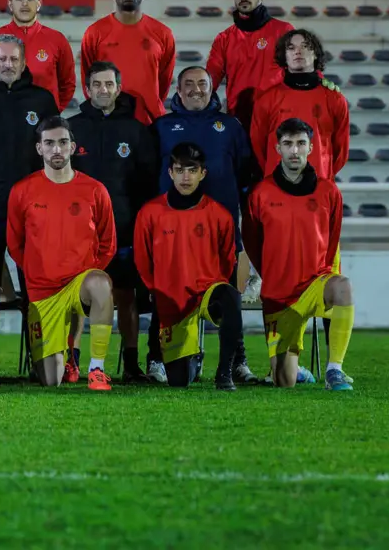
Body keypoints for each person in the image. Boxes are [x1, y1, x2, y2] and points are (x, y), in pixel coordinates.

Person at [154, 66, 258, 384]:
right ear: (178, 90)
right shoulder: (161, 127)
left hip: (220, 232)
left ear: (212, 89)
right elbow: (147, 176)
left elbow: (245, 175)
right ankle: (157, 358)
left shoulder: (229, 127)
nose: (196, 89)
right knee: (165, 293)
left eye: (203, 83)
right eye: (189, 84)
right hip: (173, 232)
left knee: (228, 297)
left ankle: (237, 362)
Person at [7, 116, 116, 391]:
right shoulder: (22, 191)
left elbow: (108, 243)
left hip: (78, 285)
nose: (57, 149)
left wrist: (86, 269)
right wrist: (38, 271)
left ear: (73, 147)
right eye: (50, 143)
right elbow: (15, 244)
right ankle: (64, 356)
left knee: (100, 284)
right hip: (43, 291)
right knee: (50, 380)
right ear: (39, 149)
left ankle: (97, 369)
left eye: (63, 143)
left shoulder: (94, 190)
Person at [69, 61, 161, 383]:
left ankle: (131, 363)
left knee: (125, 295)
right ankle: (73, 362)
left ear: (118, 88)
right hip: (78, 232)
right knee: (78, 296)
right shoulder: (72, 128)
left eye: (109, 84)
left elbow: (148, 183)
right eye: (97, 84)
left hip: (123, 228)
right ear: (87, 88)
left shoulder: (136, 131)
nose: (103, 90)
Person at [244, 118, 354, 391]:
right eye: (288, 144)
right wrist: (271, 275)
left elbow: (332, 238)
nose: (295, 150)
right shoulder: (260, 193)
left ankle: (335, 370)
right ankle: (295, 369)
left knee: (342, 286)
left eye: (301, 143)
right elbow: (252, 242)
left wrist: (322, 271)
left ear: (311, 147)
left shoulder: (329, 191)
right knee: (284, 382)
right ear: (278, 148)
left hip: (314, 284)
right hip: (278, 296)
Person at [134, 143, 242, 390]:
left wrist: (216, 283)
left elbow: (228, 260)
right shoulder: (150, 213)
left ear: (202, 173)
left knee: (230, 296)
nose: (185, 177)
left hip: (207, 294)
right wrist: (159, 290)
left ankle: (224, 373)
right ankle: (192, 356)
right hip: (172, 301)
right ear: (170, 172)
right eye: (180, 170)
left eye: (192, 170)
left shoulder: (220, 215)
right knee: (179, 382)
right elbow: (142, 259)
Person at [0, 33, 59, 303]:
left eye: (14, 59)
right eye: (2, 59)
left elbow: (57, 152)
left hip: (33, 209)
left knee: (36, 287)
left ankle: (39, 346)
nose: (8, 64)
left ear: (24, 63)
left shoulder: (42, 101)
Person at [80, 0, 176, 126]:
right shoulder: (95, 32)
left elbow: (164, 81)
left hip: (150, 121)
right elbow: (88, 78)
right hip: (109, 120)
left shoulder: (163, 33)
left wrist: (149, 103)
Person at [250, 28, 349, 180]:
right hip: (277, 188)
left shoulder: (334, 98)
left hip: (318, 189)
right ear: (284, 56)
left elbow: (341, 151)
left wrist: (320, 175)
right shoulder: (266, 100)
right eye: (291, 48)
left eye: (305, 46)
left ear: (315, 53)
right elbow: (258, 147)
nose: (298, 51)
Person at [206, 0, 295, 132]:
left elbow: (302, 69)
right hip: (238, 122)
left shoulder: (283, 31)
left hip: (276, 121)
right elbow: (210, 81)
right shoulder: (224, 38)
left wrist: (323, 85)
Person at [0, 0, 76, 111]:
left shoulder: (57, 40)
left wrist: (52, 110)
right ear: (10, 5)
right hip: (2, 120)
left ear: (39, 4)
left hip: (44, 123)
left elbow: (68, 84)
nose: (25, 4)